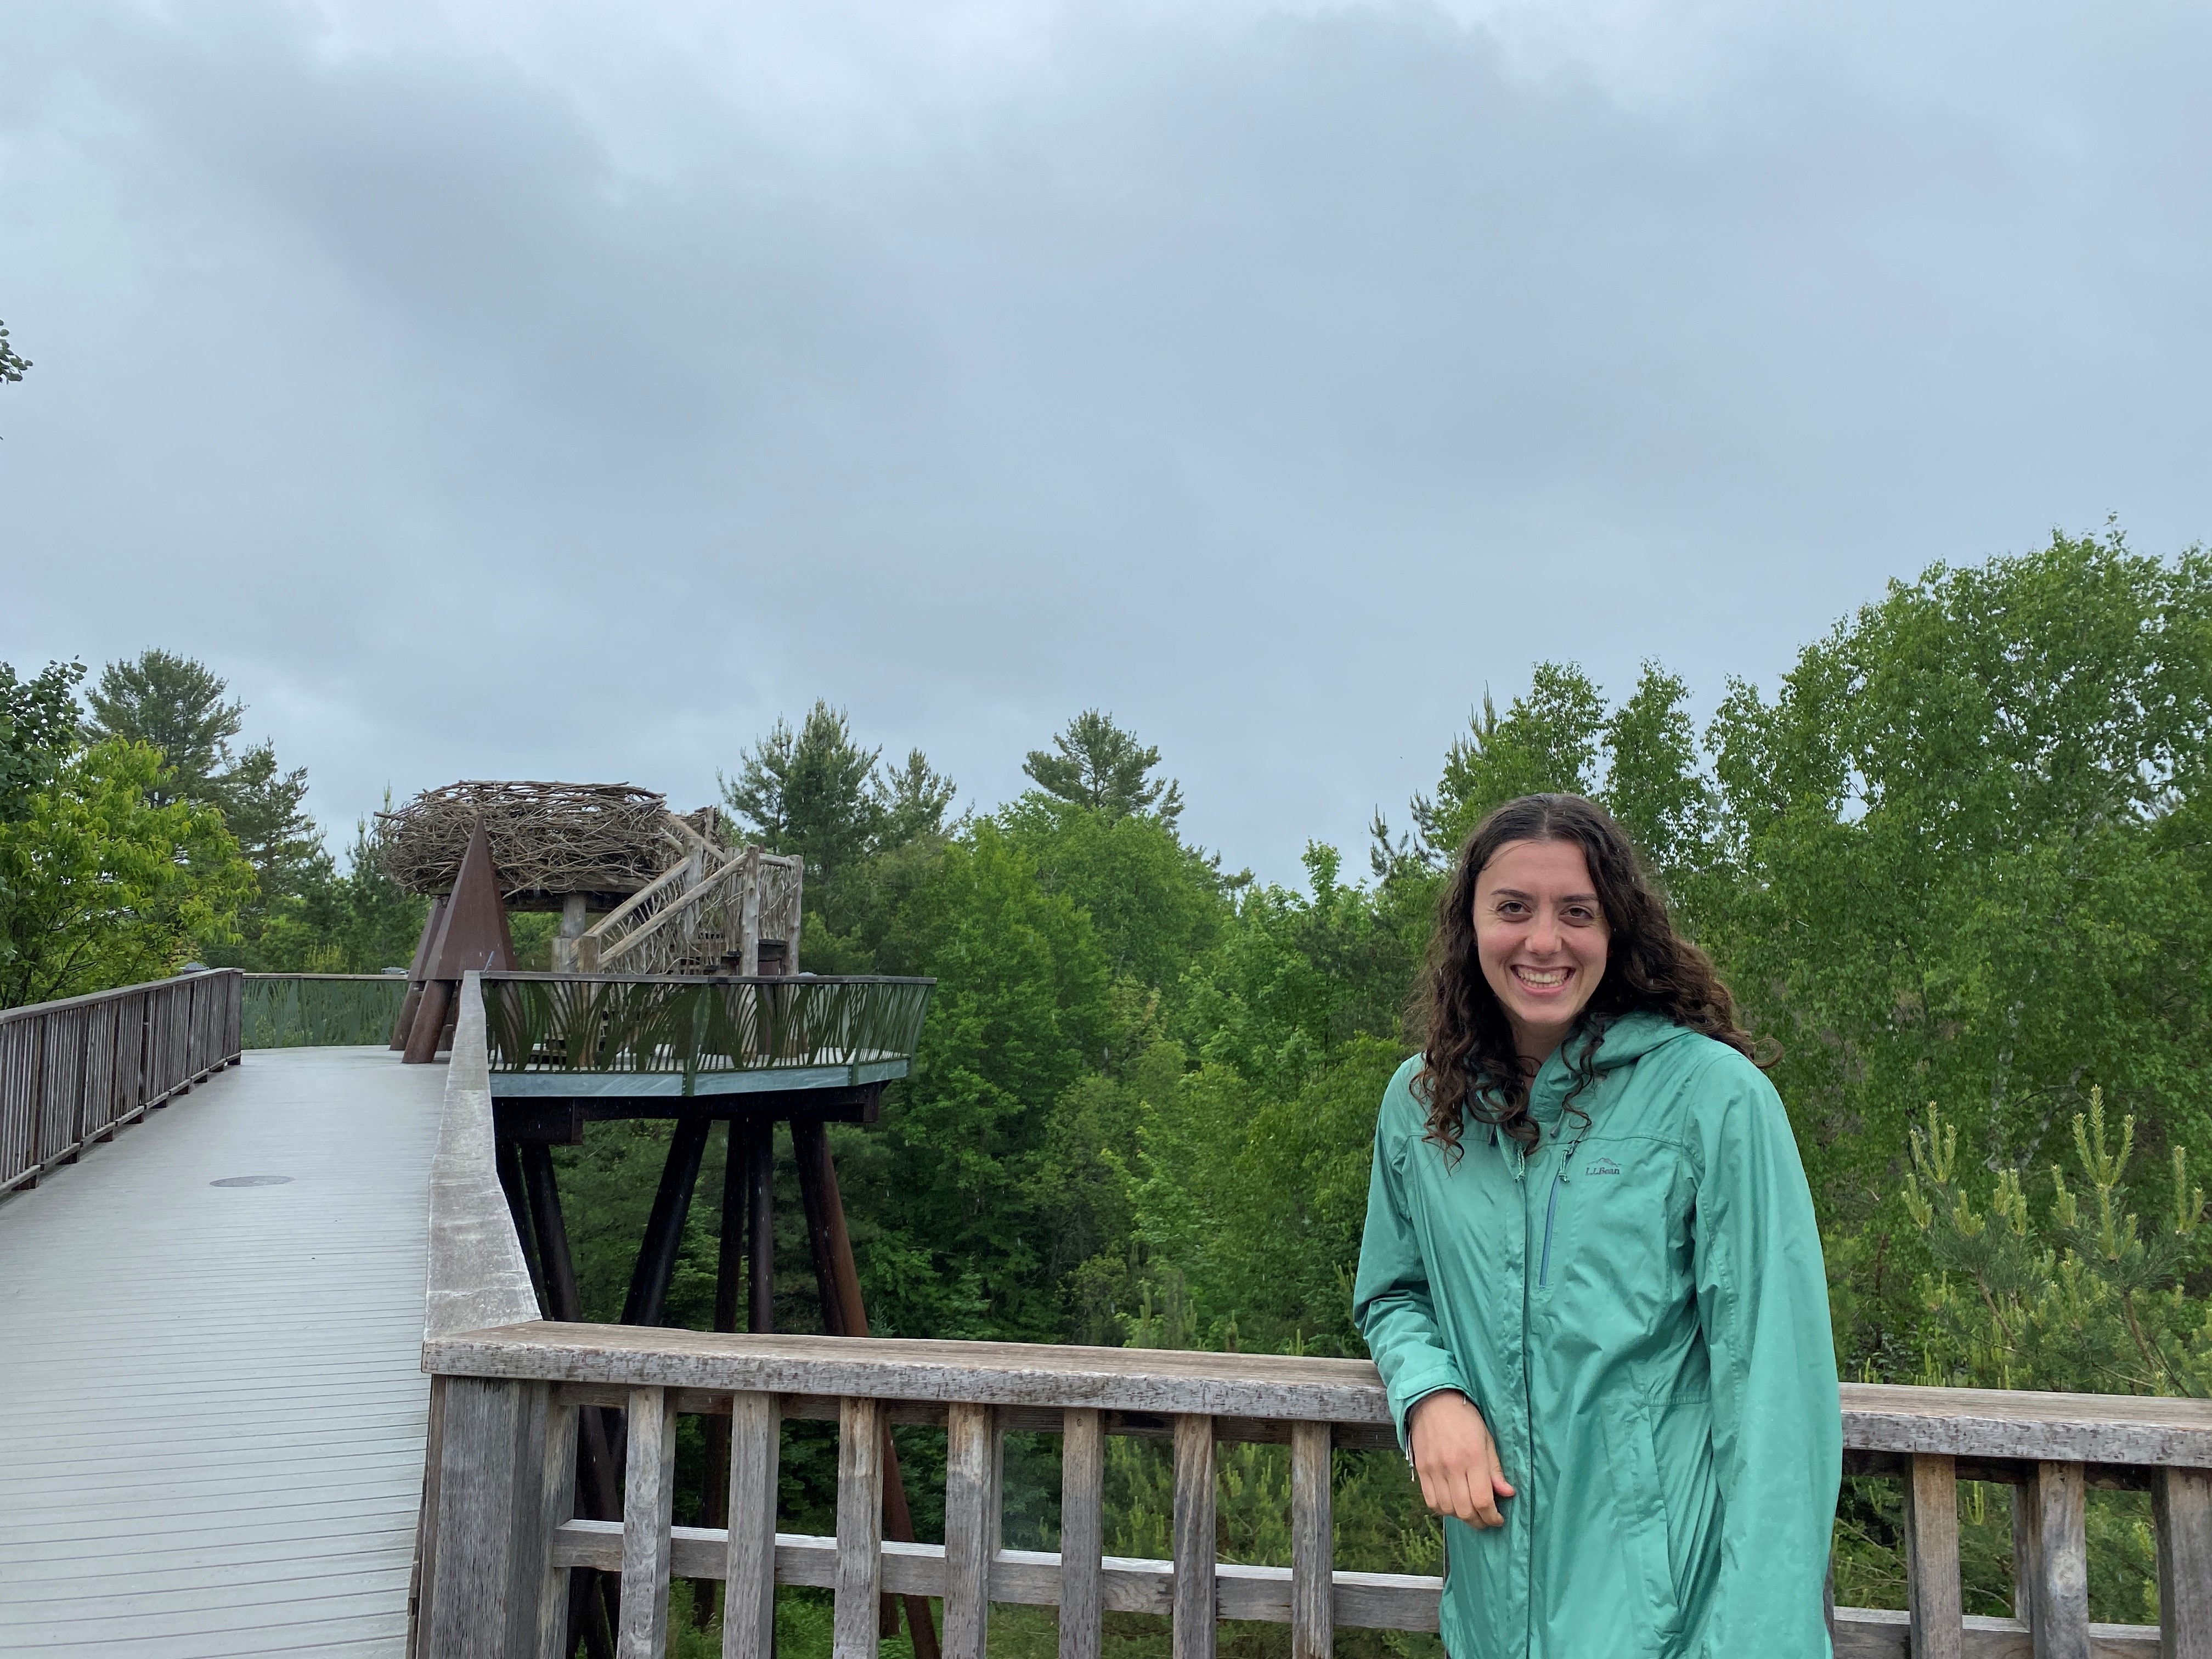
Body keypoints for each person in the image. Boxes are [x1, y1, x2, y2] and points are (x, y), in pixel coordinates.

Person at [1353, 793, 1840, 1658]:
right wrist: (1429, 1393)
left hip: (1673, 1624)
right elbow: (1395, 1293)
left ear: (1616, 928)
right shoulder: (1422, 1106)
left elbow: (1777, 1393)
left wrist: (1760, 1641)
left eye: (1576, 912)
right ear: (1470, 927)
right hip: (1491, 1614)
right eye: (1513, 908)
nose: (1544, 941)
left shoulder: (1715, 1100)